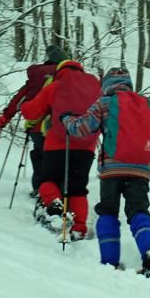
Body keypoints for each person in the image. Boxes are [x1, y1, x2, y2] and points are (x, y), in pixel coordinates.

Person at [60, 67, 150, 276]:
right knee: (139, 211)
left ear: (106, 85)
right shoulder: (145, 104)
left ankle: (110, 262)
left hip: (111, 170)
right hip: (140, 170)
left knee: (108, 211)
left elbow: (82, 128)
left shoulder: (104, 103)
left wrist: (66, 119)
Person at [20, 59, 101, 240]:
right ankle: (79, 227)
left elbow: (32, 111)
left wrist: (23, 106)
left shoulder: (56, 85)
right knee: (78, 188)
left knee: (48, 179)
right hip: (86, 146)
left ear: (60, 70)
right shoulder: (96, 88)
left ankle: (55, 205)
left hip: (57, 143)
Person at [0, 44, 68, 197]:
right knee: (58, 158)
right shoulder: (67, 76)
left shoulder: (36, 76)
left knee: (40, 155)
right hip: (60, 127)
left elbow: (19, 98)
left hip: (36, 126)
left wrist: (5, 117)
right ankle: (59, 190)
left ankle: (40, 188)